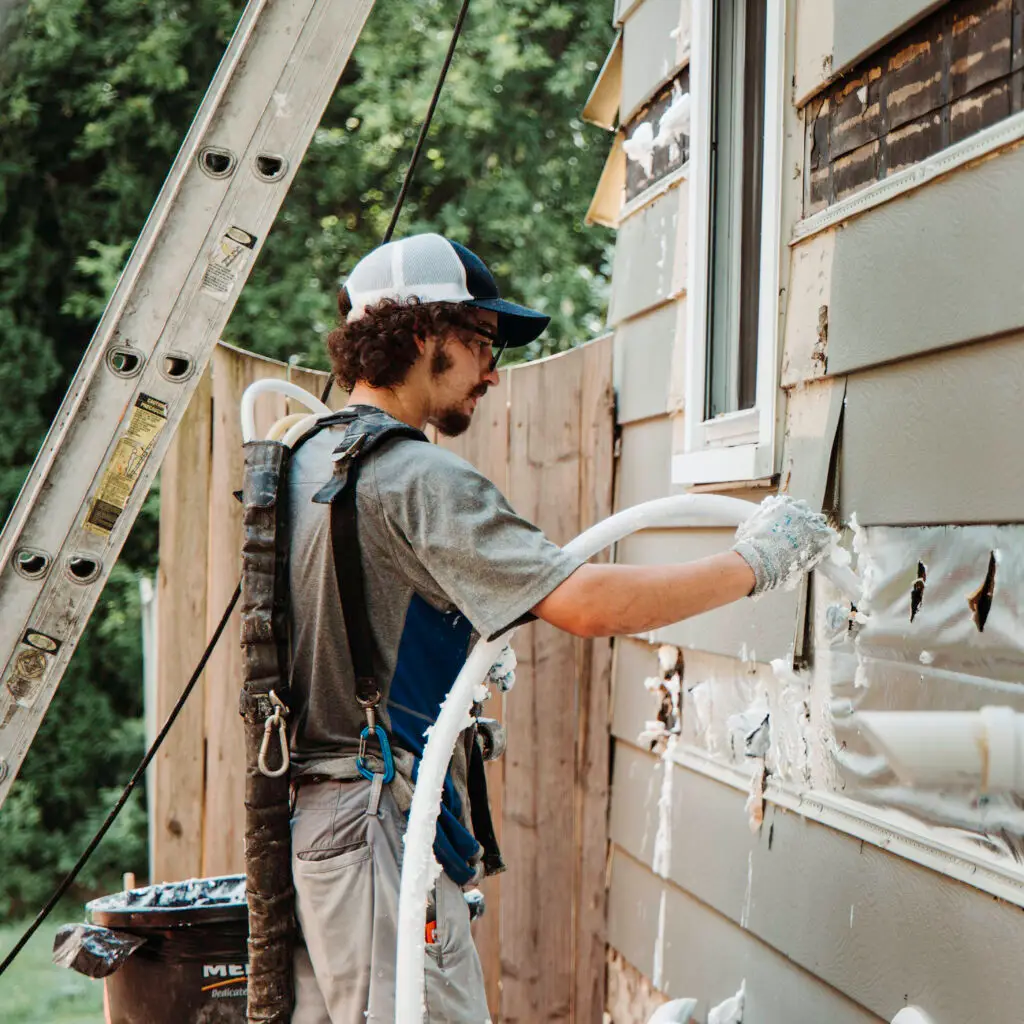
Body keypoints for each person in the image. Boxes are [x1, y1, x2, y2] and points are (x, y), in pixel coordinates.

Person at [286, 233, 834, 1023]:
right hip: (376, 831)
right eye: (479, 343)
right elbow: (584, 601)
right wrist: (757, 563)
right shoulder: (415, 476)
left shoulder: (306, 456)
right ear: (420, 335)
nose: (491, 371)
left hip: (313, 828)